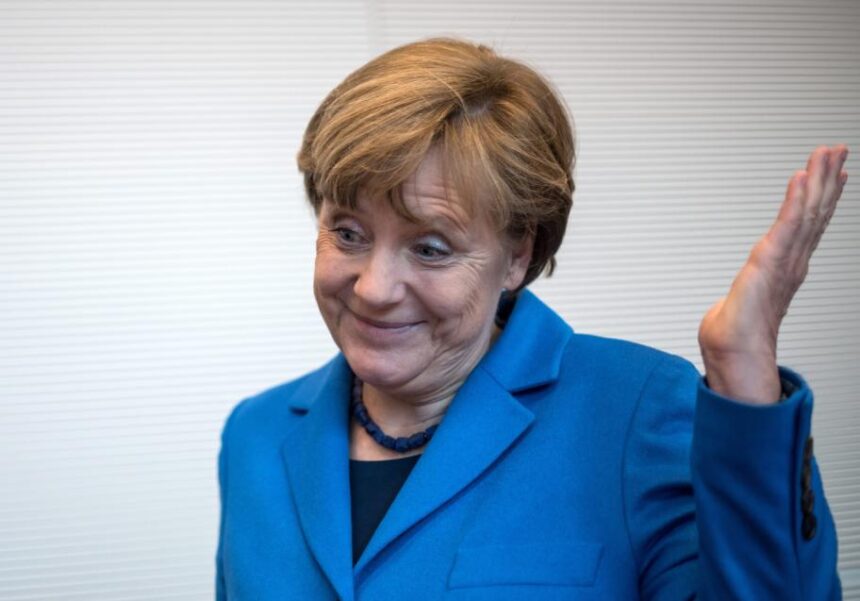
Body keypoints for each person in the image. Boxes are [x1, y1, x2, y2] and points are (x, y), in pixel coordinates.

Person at [215, 38, 847, 600]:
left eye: (430, 248)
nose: (375, 289)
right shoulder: (255, 436)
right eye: (348, 233)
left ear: (518, 254)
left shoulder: (637, 412)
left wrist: (744, 381)